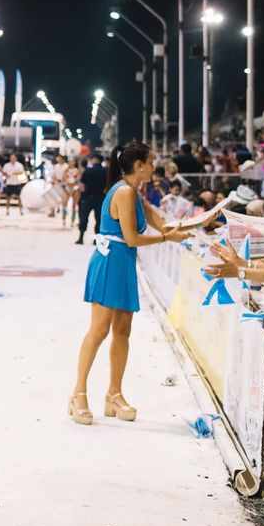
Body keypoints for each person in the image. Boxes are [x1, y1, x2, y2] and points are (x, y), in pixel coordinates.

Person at [70, 141, 192, 425]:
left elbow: (162, 222)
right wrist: (166, 238)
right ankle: (78, 393)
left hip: (123, 265)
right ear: (139, 165)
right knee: (99, 330)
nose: (154, 166)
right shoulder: (124, 193)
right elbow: (133, 238)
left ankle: (114, 394)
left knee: (122, 332)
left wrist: (191, 226)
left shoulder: (136, 195)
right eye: (150, 161)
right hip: (110, 262)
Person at [76, 152, 107, 245]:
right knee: (99, 219)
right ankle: (96, 240)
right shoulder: (105, 171)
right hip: (100, 197)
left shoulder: (88, 171)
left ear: (96, 160)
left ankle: (81, 237)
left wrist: (82, 194)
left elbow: (82, 184)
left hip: (88, 196)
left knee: (84, 217)